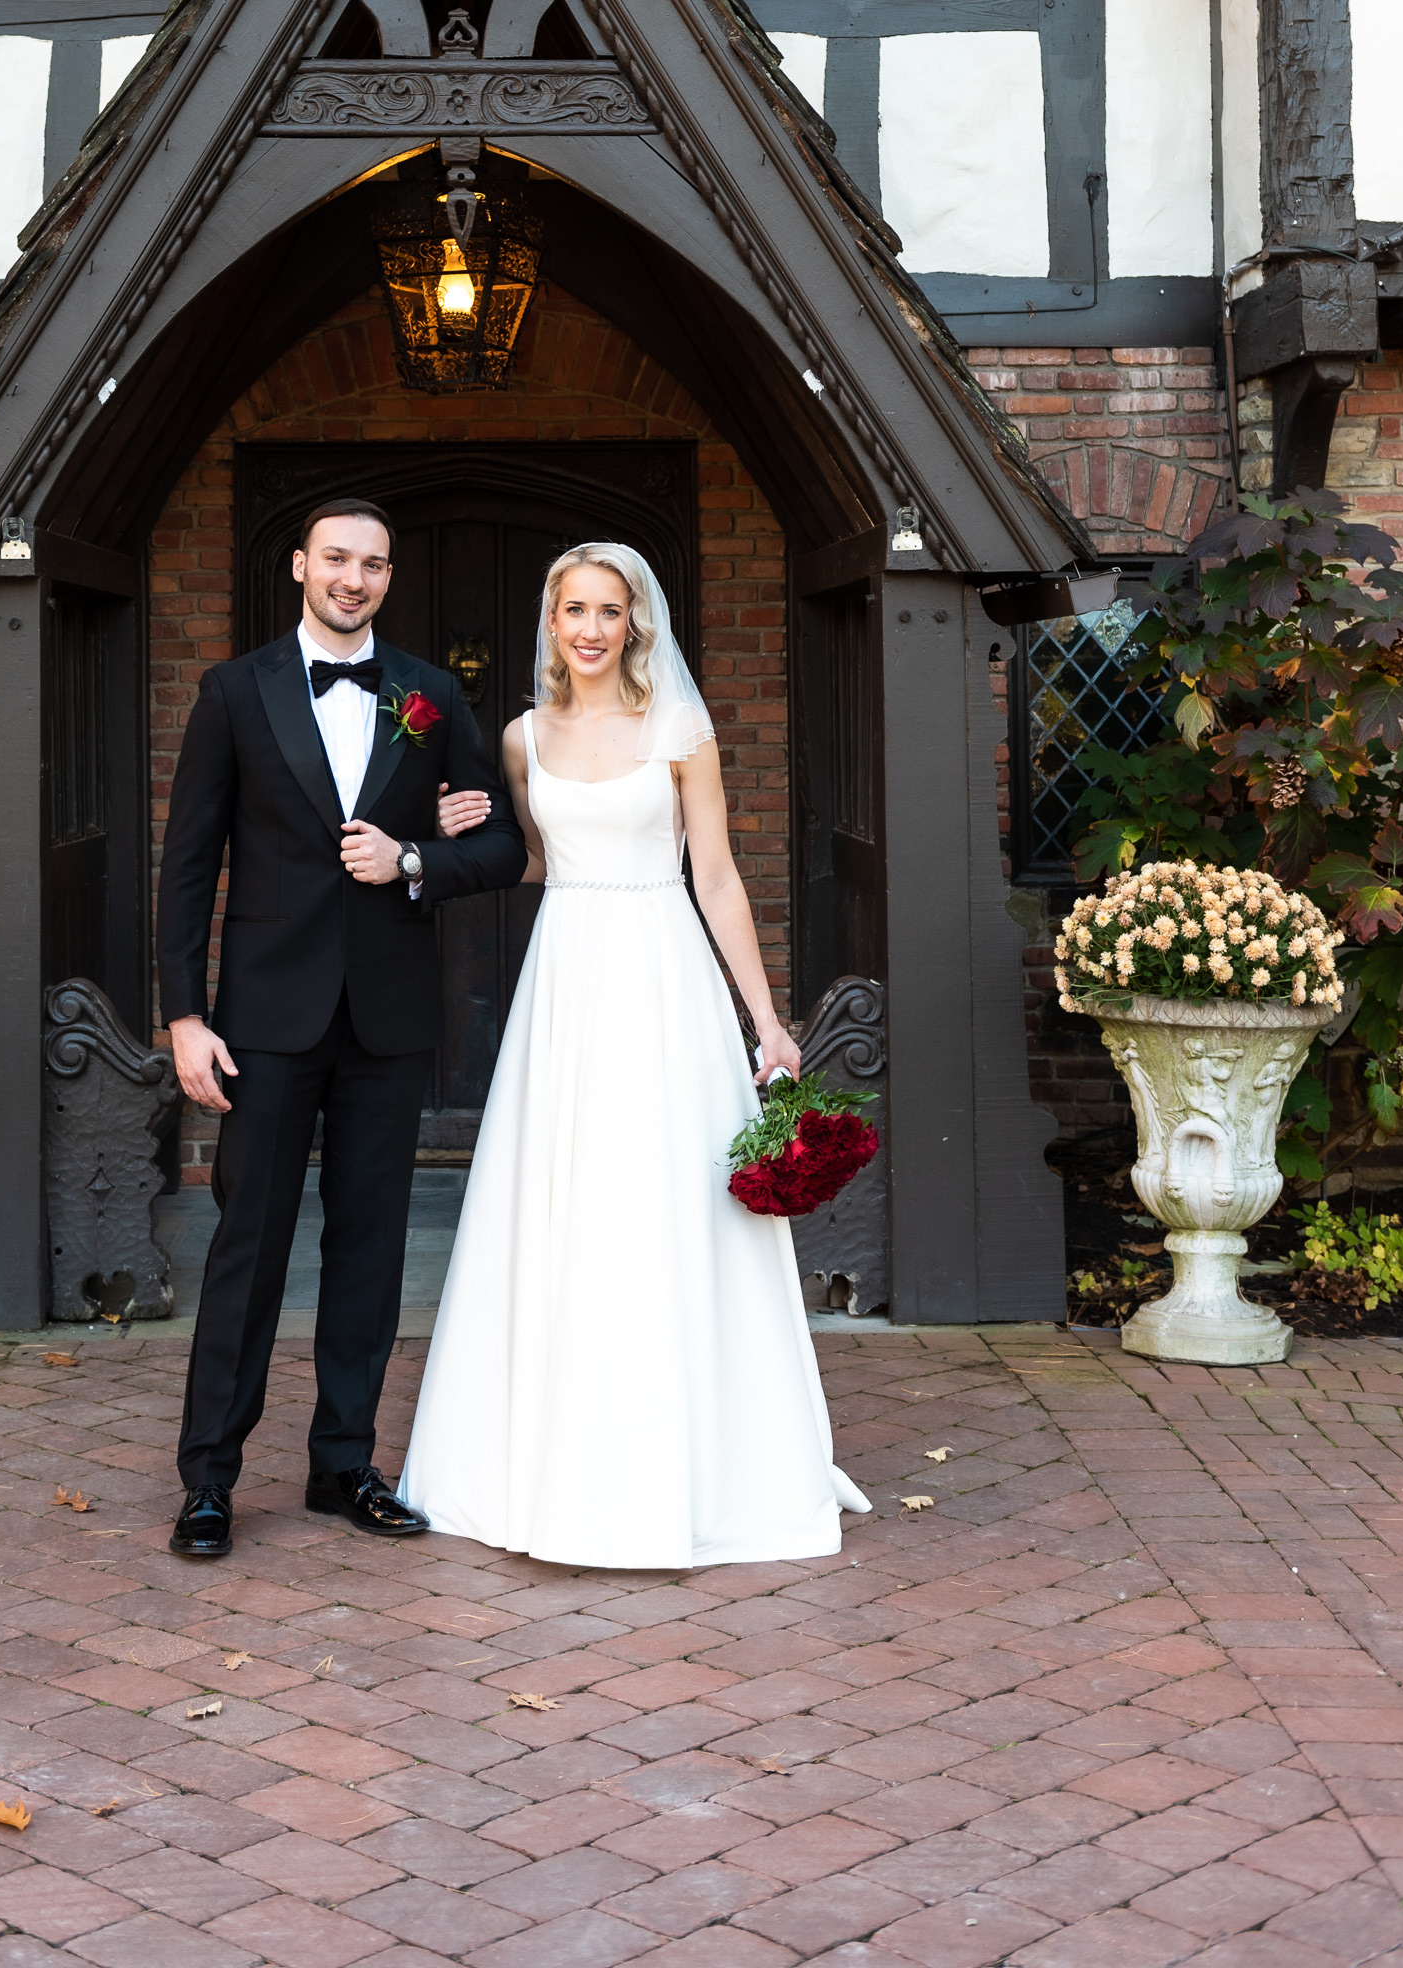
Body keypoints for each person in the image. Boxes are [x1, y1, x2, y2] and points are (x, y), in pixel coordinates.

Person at [400, 541, 872, 1569]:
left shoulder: (678, 728)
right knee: (564, 1205)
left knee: (669, 1205)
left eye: (607, 611)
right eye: (572, 609)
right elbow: (528, 860)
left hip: (663, 972)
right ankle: (547, 1468)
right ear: (550, 621)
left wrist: (766, 1019)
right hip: (567, 977)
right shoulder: (521, 738)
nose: (589, 628)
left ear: (632, 624)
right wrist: (459, 824)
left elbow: (717, 877)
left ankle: (694, 1466)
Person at [157, 496, 526, 1561]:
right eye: (335, 559)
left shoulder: (429, 694)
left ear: (387, 577)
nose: (352, 578)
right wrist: (185, 1015)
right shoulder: (233, 693)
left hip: (388, 1017)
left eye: (371, 563)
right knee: (249, 1247)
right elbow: (188, 867)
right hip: (264, 1019)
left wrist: (414, 858)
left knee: (367, 1249)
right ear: (299, 567)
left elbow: (500, 845)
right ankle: (210, 1482)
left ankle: (342, 1467)